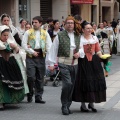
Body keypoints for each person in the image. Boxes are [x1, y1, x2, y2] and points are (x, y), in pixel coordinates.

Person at [47, 16, 81, 115]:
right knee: (67, 84)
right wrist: (52, 63)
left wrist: (79, 53)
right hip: (63, 63)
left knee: (72, 85)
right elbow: (53, 49)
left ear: (74, 25)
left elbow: (82, 47)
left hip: (74, 63)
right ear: (65, 24)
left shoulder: (78, 35)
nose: (70, 24)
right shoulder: (60, 35)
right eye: (68, 23)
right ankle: (64, 105)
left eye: (72, 23)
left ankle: (68, 104)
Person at [72, 21, 107, 112]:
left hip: (94, 62)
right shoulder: (79, 39)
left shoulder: (94, 38)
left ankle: (91, 103)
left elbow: (98, 51)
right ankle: (83, 105)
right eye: (87, 28)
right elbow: (76, 51)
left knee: (94, 82)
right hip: (83, 62)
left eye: (90, 28)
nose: (89, 30)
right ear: (83, 29)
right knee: (84, 82)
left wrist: (104, 59)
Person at [22, 16, 52, 103]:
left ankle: (38, 97)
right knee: (31, 77)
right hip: (31, 57)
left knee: (40, 77)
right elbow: (23, 44)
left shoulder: (45, 33)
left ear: (40, 23)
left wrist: (49, 58)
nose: (34, 24)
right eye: (33, 22)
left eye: (36, 22)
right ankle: (30, 94)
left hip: (41, 56)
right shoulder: (28, 32)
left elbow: (49, 45)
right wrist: (32, 52)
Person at [0, 13, 29, 94]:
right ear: (1, 21)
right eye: (4, 20)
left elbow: (19, 41)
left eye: (7, 20)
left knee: (19, 72)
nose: (6, 22)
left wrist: (17, 47)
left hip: (12, 54)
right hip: (2, 55)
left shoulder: (13, 30)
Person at [0, 25, 24, 110]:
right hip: (1, 63)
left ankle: (10, 99)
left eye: (7, 35)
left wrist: (15, 47)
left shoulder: (10, 42)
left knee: (10, 82)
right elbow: (2, 47)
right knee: (1, 84)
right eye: (4, 35)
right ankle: (1, 102)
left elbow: (17, 51)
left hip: (10, 63)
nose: (6, 37)